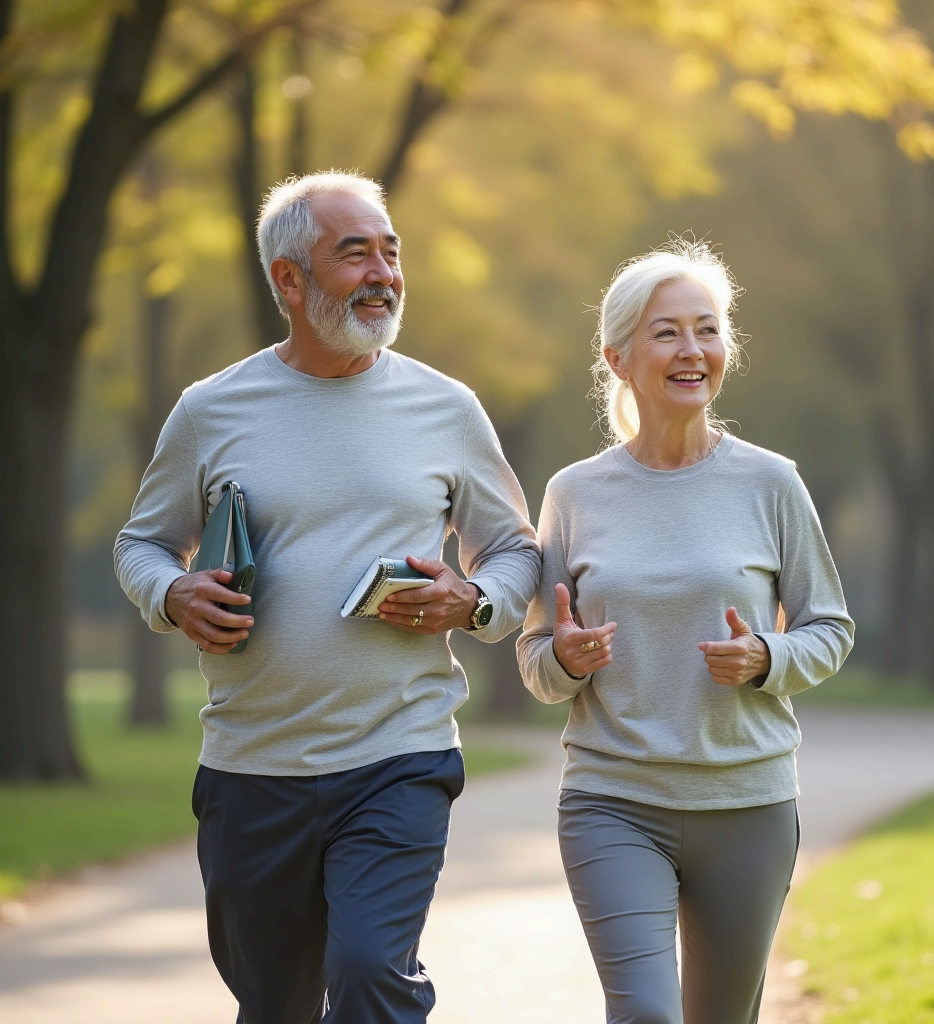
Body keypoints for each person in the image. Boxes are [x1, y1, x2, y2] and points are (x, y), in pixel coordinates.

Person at [115, 170, 540, 1024]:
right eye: (356, 254)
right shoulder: (212, 409)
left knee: (370, 977)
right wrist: (172, 593)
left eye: (391, 251)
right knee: (273, 1006)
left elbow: (514, 549)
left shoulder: (446, 407)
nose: (383, 272)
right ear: (289, 281)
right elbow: (142, 543)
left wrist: (474, 600)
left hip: (399, 755)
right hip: (251, 766)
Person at [517, 241, 854, 1024]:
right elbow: (536, 658)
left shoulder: (771, 482)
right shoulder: (574, 493)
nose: (692, 350)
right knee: (647, 1015)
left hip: (747, 801)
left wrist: (767, 655)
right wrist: (564, 658)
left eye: (707, 329)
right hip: (614, 798)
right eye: (667, 332)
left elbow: (829, 628)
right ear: (619, 357)